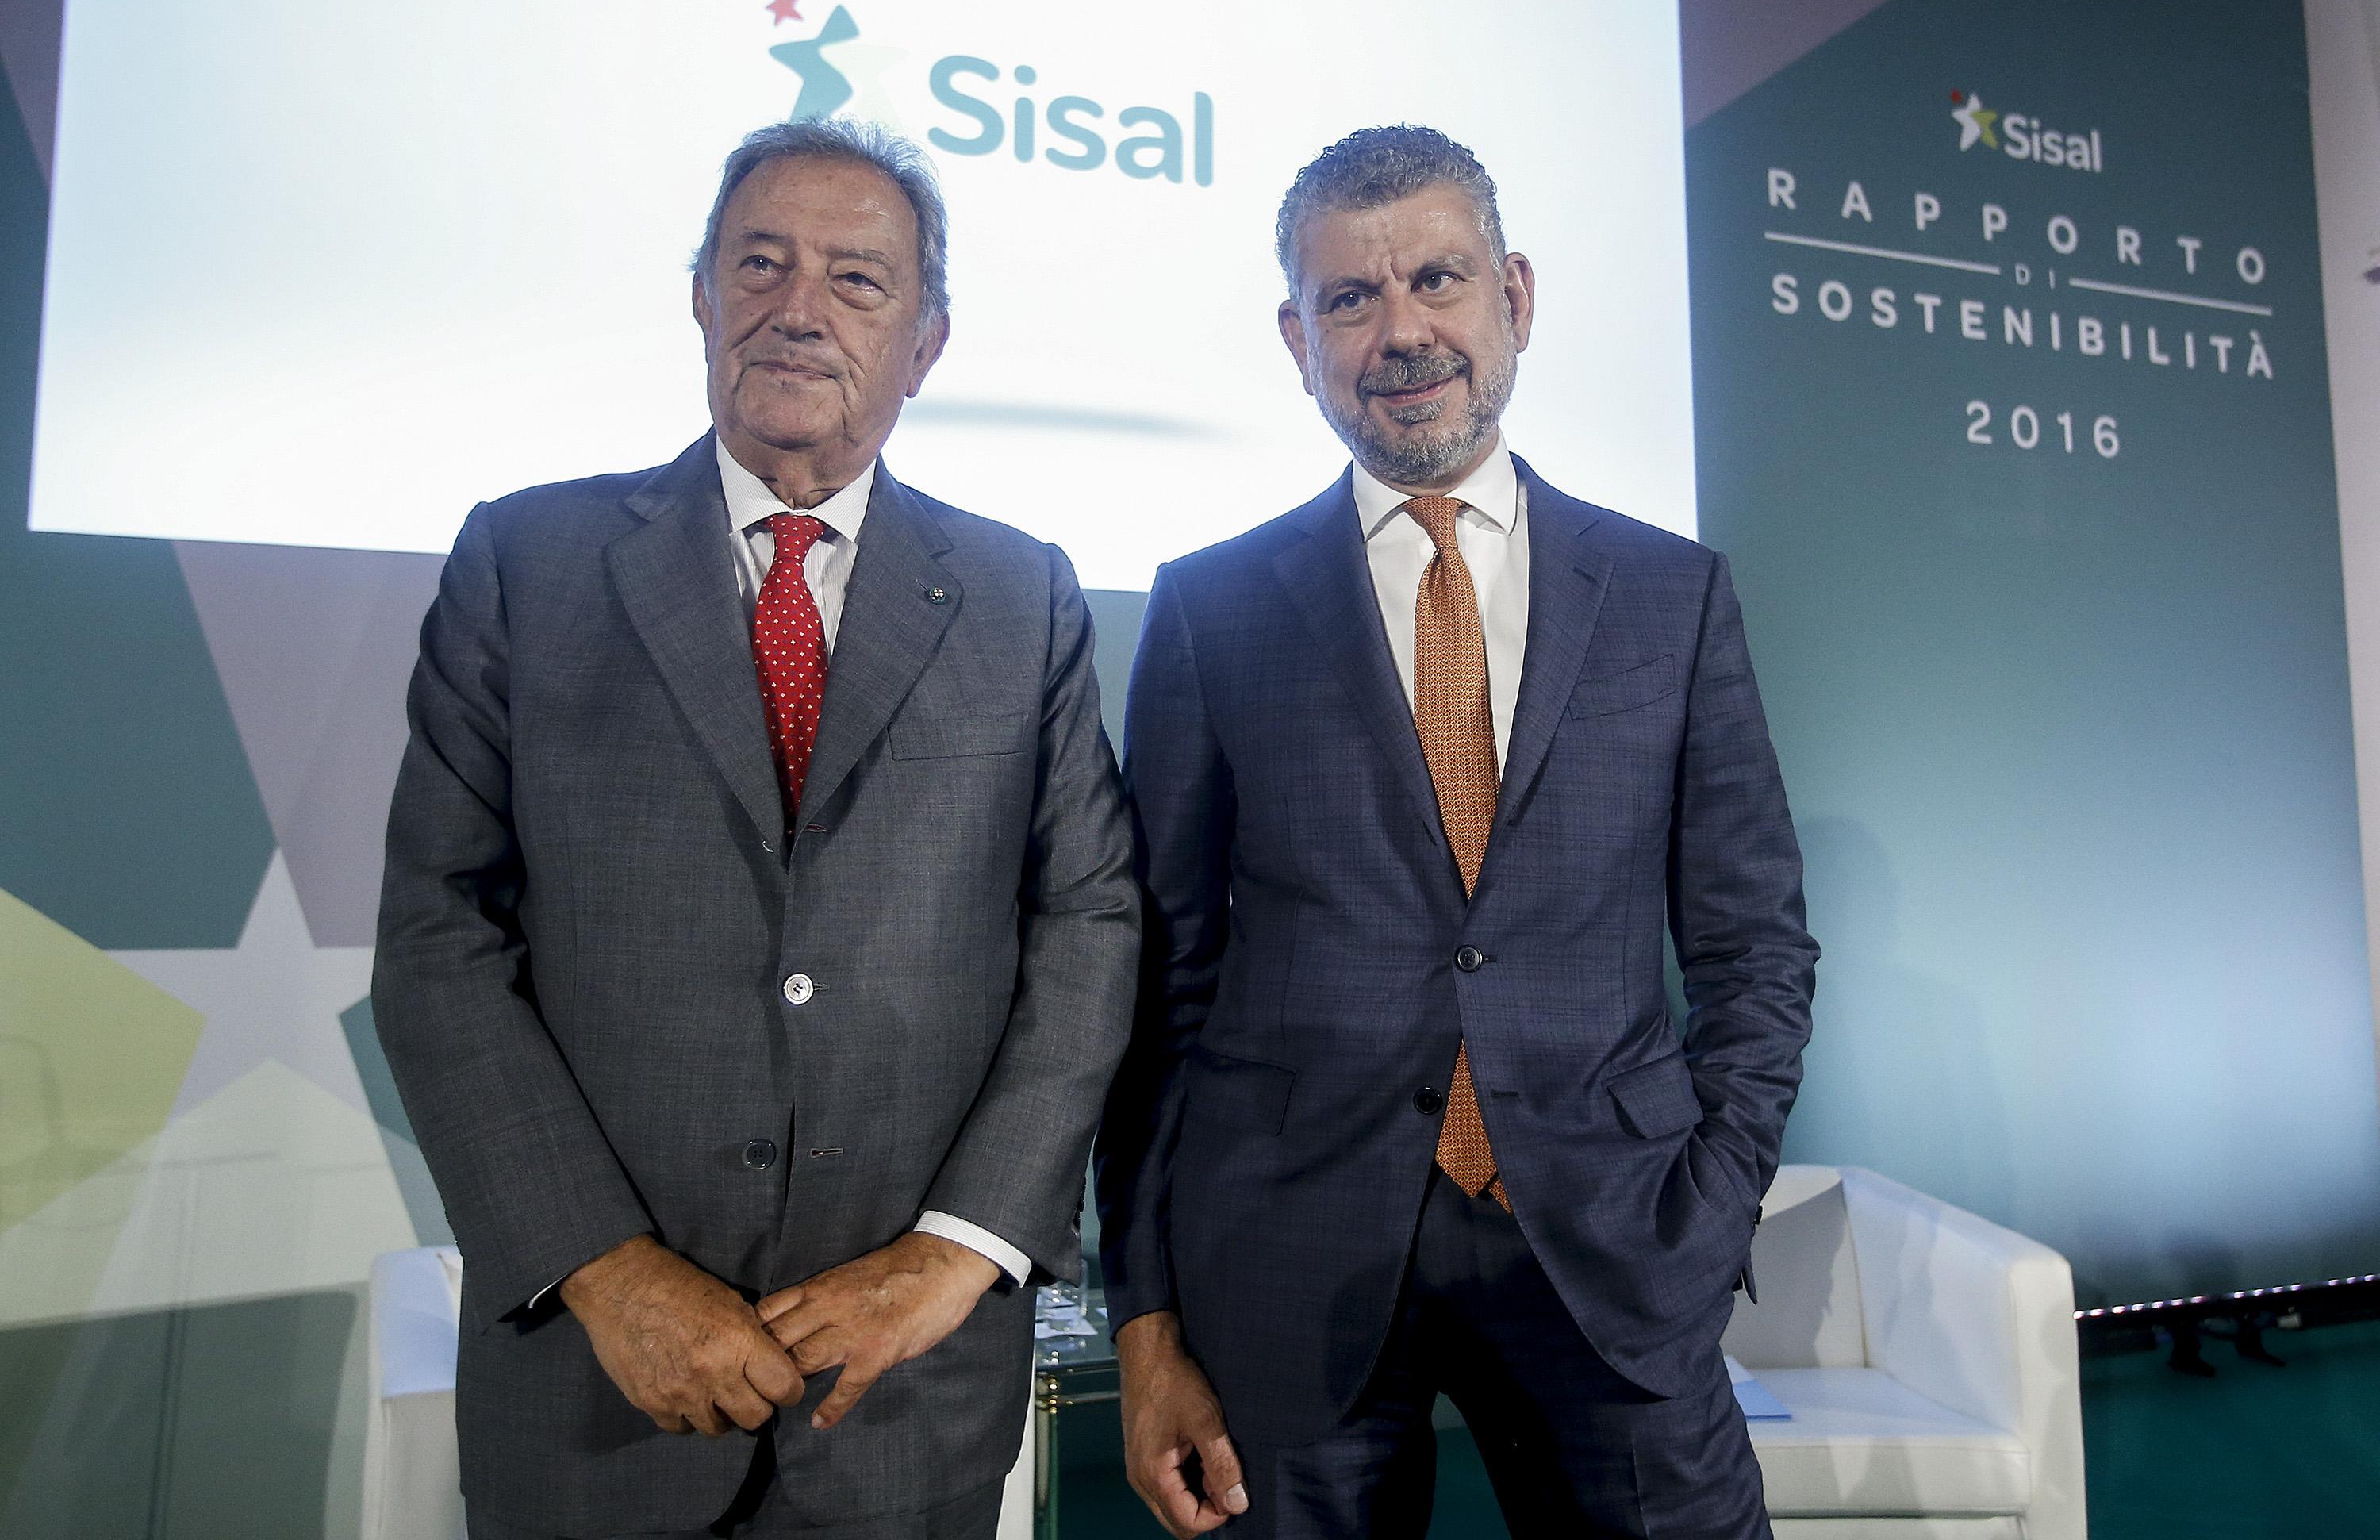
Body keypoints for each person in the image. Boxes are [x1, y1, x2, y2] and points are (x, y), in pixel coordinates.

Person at [374, 117, 1138, 1540]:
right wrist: (607, 1271)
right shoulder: (526, 564)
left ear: (926, 341)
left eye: (857, 280)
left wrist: (958, 1252)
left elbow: (1088, 925)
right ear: (701, 299)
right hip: (598, 1389)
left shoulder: (1022, 595)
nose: (798, 307)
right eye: (760, 264)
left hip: (904, 1398)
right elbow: (436, 937)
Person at [1096, 125, 1817, 1538]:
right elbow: (1157, 989)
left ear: (1517, 297)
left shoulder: (1670, 597)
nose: (1403, 331)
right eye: (1350, 299)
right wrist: (1148, 1315)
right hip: (1284, 1259)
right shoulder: (1209, 608)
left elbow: (1755, 947)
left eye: (1437, 279)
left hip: (1617, 1241)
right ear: (1298, 340)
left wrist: (1713, 1204)